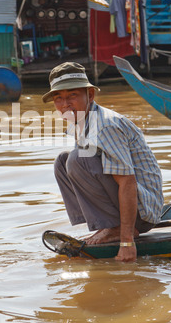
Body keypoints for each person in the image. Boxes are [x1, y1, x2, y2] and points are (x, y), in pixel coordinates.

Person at [42, 62, 164, 262]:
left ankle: (118, 230)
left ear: (90, 95)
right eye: (58, 98)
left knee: (76, 159)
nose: (65, 104)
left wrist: (126, 243)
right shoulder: (81, 122)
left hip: (142, 214)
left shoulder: (104, 126)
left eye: (72, 95)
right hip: (132, 205)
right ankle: (106, 226)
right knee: (63, 161)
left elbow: (127, 181)